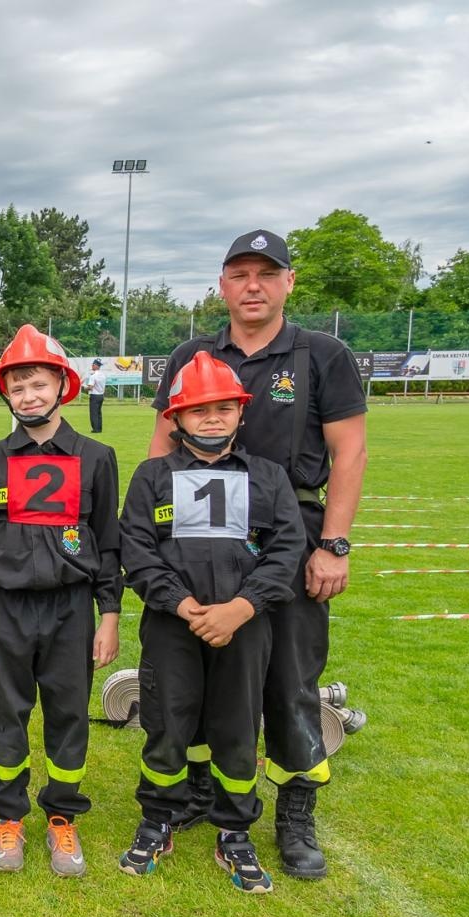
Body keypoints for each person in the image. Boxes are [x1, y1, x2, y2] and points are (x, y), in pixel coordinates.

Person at [147, 229, 367, 880]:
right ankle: (197, 794)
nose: (252, 285)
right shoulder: (191, 353)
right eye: (239, 274)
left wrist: (332, 543)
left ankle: (296, 813)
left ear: (288, 284)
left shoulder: (323, 355)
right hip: (198, 528)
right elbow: (162, 449)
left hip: (291, 533)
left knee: (289, 679)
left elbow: (349, 453)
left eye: (266, 274)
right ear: (221, 285)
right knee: (199, 668)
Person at [119, 353, 306, 893]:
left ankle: (234, 829)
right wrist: (180, 603)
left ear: (241, 413)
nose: (213, 418)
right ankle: (159, 817)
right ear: (175, 417)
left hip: (244, 627)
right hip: (171, 625)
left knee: (237, 727)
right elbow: (136, 547)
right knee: (167, 723)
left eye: (224, 407)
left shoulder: (266, 477)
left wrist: (241, 608)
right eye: (199, 410)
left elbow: (286, 549)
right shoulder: (152, 476)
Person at [0, 324, 122, 877]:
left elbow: (109, 546)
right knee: (5, 711)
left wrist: (110, 618)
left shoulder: (97, 457)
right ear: (6, 394)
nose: (29, 395)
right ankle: (8, 816)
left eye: (38, 384)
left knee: (68, 712)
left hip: (72, 609)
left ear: (63, 385)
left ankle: (61, 818)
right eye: (18, 387)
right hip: (5, 610)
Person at [84, 359, 107, 433]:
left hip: (94, 395)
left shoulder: (93, 376)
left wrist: (85, 388)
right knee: (99, 413)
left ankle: (95, 429)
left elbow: (90, 387)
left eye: (93, 365)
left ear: (96, 366)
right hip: (101, 395)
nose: (92, 366)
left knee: (93, 413)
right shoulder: (103, 375)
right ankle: (99, 428)